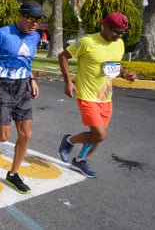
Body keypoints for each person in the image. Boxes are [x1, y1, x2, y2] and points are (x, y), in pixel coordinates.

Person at [57, 12, 136, 178]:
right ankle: (68, 141)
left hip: (106, 98)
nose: (119, 35)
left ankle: (80, 160)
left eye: (123, 32)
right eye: (116, 31)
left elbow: (116, 64)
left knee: (97, 137)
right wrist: (67, 81)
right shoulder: (87, 42)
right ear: (105, 26)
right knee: (100, 134)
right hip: (87, 96)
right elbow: (63, 56)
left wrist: (125, 74)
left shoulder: (119, 43)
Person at [0, 1, 44, 194]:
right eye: (31, 19)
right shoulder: (3, 34)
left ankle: (13, 174)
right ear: (20, 16)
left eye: (38, 20)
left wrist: (32, 79)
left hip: (23, 87)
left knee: (26, 134)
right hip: (2, 87)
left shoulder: (36, 37)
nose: (34, 24)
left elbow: (27, 61)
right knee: (5, 136)